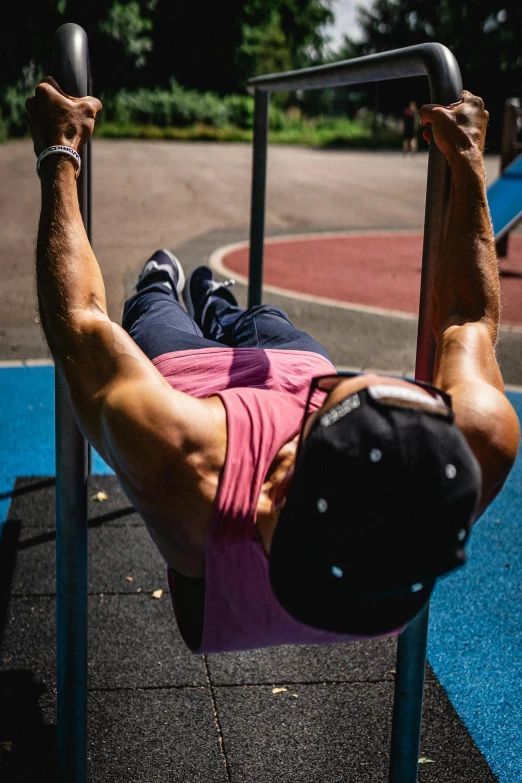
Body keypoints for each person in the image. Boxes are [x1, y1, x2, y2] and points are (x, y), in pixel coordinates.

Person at [25, 81, 520, 653]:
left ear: (280, 482)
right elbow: (466, 317)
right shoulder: (477, 443)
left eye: (323, 401)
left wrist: (58, 152)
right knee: (262, 320)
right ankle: (218, 301)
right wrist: (467, 159)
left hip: (188, 374)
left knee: (153, 310)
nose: (313, 396)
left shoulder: (184, 458)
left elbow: (80, 325)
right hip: (289, 359)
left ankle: (165, 285)